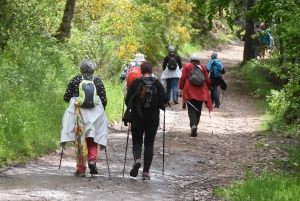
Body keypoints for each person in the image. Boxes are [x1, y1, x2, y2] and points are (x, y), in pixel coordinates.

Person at [60, 59, 108, 177]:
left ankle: (81, 169)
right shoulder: (97, 81)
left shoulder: (75, 80)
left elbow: (66, 97)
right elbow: (104, 99)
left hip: (78, 112)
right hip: (94, 112)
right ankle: (92, 160)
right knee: (92, 136)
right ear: (93, 70)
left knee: (79, 138)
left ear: (81, 69)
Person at [125, 61, 169, 180]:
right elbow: (165, 99)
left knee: (137, 141)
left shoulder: (135, 83)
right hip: (153, 117)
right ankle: (146, 173)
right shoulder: (156, 83)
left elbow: (127, 100)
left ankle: (137, 159)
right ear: (151, 71)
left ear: (141, 71)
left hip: (137, 117)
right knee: (149, 143)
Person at [178, 53, 212, 137]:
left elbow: (183, 78)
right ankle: (195, 124)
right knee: (198, 107)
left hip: (189, 89)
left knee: (191, 108)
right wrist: (208, 89)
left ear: (191, 59)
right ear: (199, 60)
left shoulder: (187, 66)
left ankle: (193, 125)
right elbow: (207, 80)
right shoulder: (203, 67)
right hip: (201, 90)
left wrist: (180, 89)